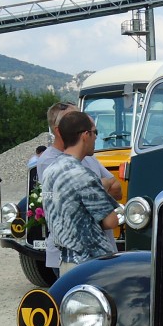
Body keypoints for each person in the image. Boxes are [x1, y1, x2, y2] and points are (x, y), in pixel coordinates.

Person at [37, 101, 122, 274]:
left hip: (66, 259)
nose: (96, 137)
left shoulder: (51, 169)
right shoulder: (82, 175)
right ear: (85, 135)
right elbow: (111, 221)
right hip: (89, 263)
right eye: (94, 133)